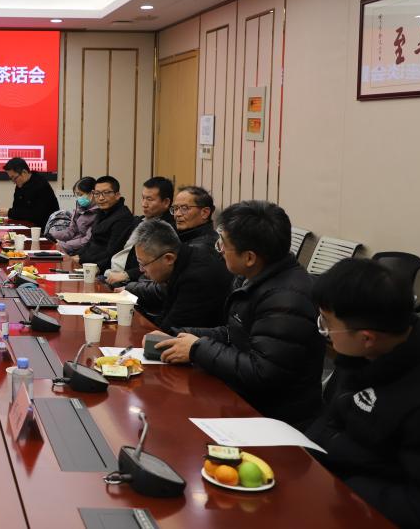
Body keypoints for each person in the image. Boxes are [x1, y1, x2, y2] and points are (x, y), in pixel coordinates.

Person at [156, 200, 324, 430]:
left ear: (250, 257)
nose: (220, 250)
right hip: (244, 398)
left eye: (223, 244)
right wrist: (181, 336)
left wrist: (197, 348)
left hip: (273, 419)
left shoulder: (286, 299)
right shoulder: (253, 276)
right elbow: (237, 333)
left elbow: (262, 372)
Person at [306, 258, 420, 528]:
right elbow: (332, 419)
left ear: (367, 338)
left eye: (327, 323)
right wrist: (303, 453)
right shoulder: (362, 355)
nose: (324, 332)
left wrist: (344, 487)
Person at [122, 219, 230, 332]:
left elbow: (169, 332)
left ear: (169, 258)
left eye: (143, 264)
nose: (141, 270)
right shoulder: (183, 260)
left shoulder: (196, 277)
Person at [105, 176, 175, 286]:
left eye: (149, 199)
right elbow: (115, 249)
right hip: (110, 273)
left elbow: (156, 265)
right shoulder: (139, 220)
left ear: (166, 202)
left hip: (128, 281)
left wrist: (127, 275)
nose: (144, 204)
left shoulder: (166, 229)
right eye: (143, 198)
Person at [74, 175, 135, 271]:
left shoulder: (123, 217)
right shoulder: (101, 212)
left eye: (106, 193)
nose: (101, 198)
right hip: (88, 263)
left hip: (103, 269)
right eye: (97, 193)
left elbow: (112, 252)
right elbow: (92, 241)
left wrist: (81, 259)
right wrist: (77, 255)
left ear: (117, 195)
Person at [0, 157, 59, 229]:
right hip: (26, 226)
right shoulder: (20, 185)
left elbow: (37, 215)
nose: (13, 182)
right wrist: (10, 213)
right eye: (11, 178)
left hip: (44, 229)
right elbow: (17, 209)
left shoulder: (41, 185)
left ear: (24, 172)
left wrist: (9, 212)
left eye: (14, 178)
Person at [50, 177, 98, 255]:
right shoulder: (79, 209)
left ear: (92, 193)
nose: (79, 198)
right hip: (72, 246)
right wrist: (53, 234)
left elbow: (87, 240)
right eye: (77, 195)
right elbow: (71, 231)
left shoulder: (98, 213)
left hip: (84, 251)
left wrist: (64, 245)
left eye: (80, 194)